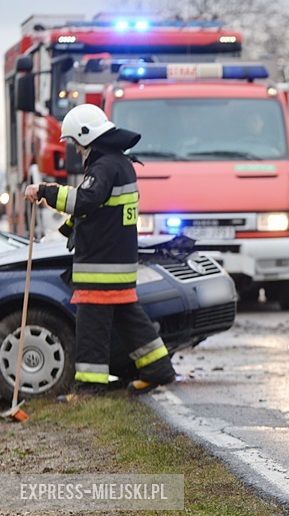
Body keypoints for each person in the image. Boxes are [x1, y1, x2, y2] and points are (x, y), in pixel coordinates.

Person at [24, 104, 176, 397]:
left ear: (84, 137)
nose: (74, 149)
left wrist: (45, 191)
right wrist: (64, 232)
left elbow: (85, 200)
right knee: (130, 320)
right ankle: (158, 369)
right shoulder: (119, 163)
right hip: (118, 263)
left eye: (73, 143)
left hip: (101, 266)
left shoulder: (104, 166)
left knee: (92, 325)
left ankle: (90, 387)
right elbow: (97, 212)